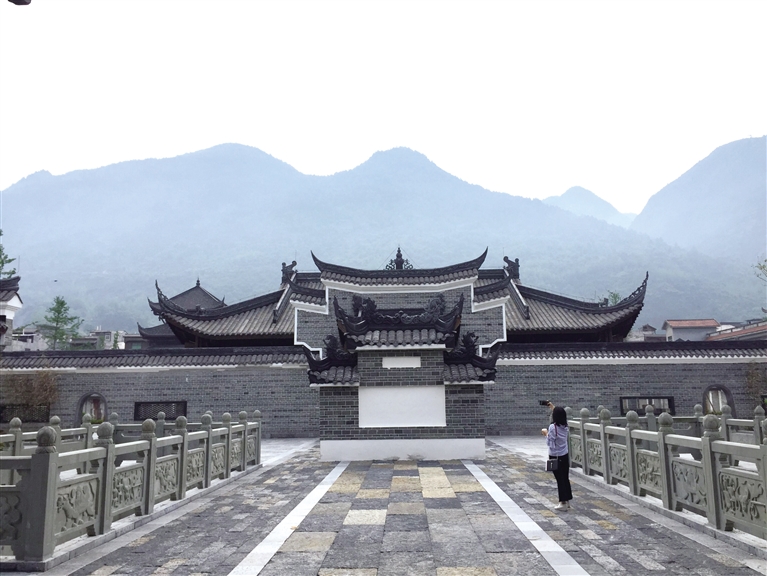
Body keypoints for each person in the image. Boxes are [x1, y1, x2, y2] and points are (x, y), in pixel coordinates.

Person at [541, 405, 573, 511]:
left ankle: (562, 502)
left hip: (555, 455)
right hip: (564, 455)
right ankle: (567, 500)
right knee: (565, 478)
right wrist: (551, 405)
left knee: (560, 479)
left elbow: (550, 443)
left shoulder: (552, 427)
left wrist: (546, 434)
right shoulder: (565, 426)